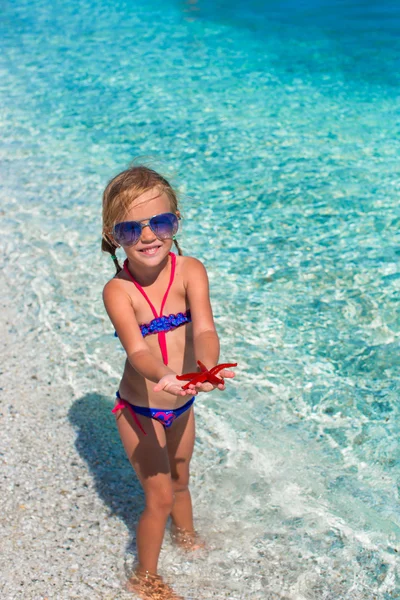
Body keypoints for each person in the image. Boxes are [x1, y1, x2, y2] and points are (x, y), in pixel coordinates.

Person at [101, 165, 235, 598]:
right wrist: (167, 377)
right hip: (141, 409)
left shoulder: (191, 270)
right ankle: (146, 578)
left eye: (161, 222)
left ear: (176, 221)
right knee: (158, 497)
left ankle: (187, 537)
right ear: (112, 236)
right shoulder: (117, 292)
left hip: (182, 403)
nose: (148, 236)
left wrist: (206, 370)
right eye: (130, 228)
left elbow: (206, 331)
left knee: (181, 476)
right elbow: (138, 352)